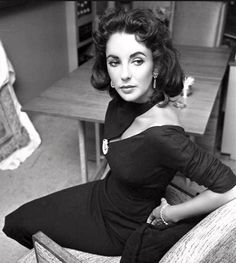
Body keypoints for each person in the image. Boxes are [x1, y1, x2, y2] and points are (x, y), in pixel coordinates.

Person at [3, 8, 236, 262]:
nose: (124, 75)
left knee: (23, 225)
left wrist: (172, 214)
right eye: (115, 61)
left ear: (156, 65)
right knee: (16, 220)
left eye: (137, 60)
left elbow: (229, 188)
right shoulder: (124, 100)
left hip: (118, 227)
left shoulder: (163, 137)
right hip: (103, 194)